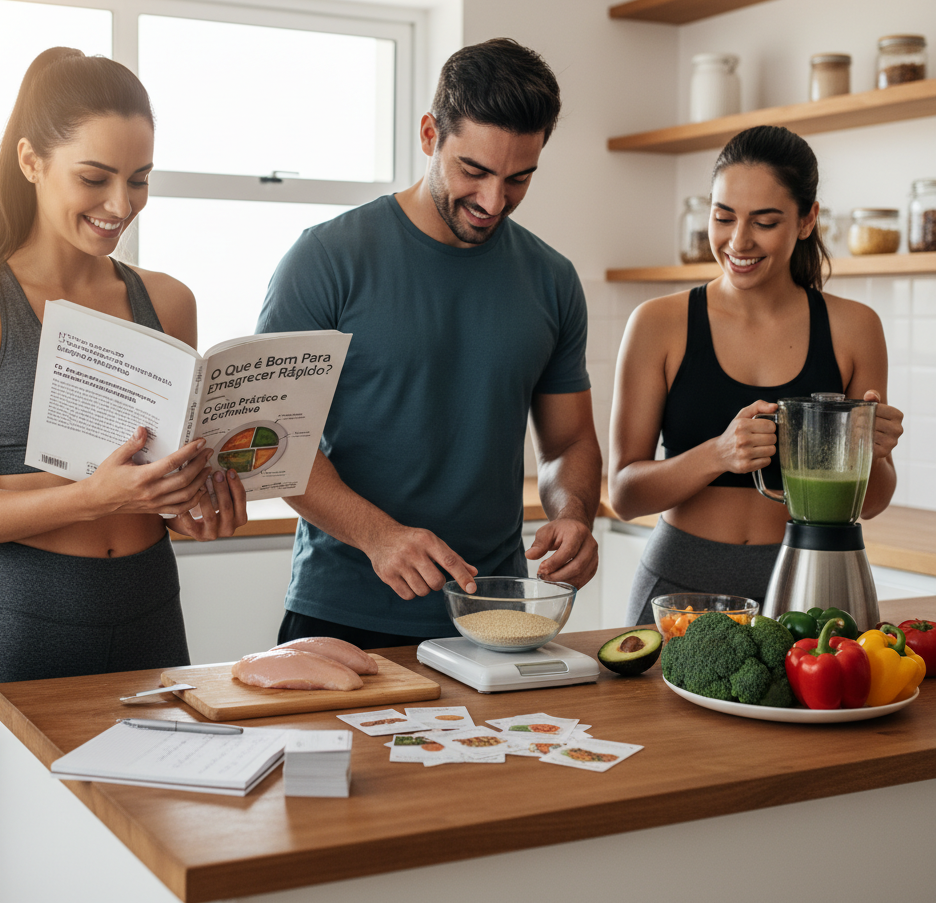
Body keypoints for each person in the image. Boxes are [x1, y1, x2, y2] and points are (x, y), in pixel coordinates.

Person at [0, 47, 248, 903]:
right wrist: (95, 496)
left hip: (150, 628)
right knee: (19, 889)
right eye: (96, 178)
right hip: (21, 635)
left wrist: (196, 507)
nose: (120, 205)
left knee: (149, 886)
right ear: (32, 161)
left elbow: (160, 491)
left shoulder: (167, 301)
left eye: (139, 181)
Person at [256, 37, 602, 648]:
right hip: (343, 611)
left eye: (519, 178)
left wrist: (572, 513)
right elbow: (270, 440)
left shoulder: (552, 279)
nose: (494, 202)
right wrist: (378, 535)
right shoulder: (326, 259)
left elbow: (568, 441)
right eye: (474, 170)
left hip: (492, 614)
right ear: (428, 135)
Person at [609, 125, 904, 625]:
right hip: (682, 584)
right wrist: (719, 453)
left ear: (807, 220)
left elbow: (870, 503)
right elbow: (624, 494)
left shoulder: (855, 328)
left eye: (764, 222)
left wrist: (870, 450)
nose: (738, 240)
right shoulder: (658, 324)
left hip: (811, 580)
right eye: (723, 217)